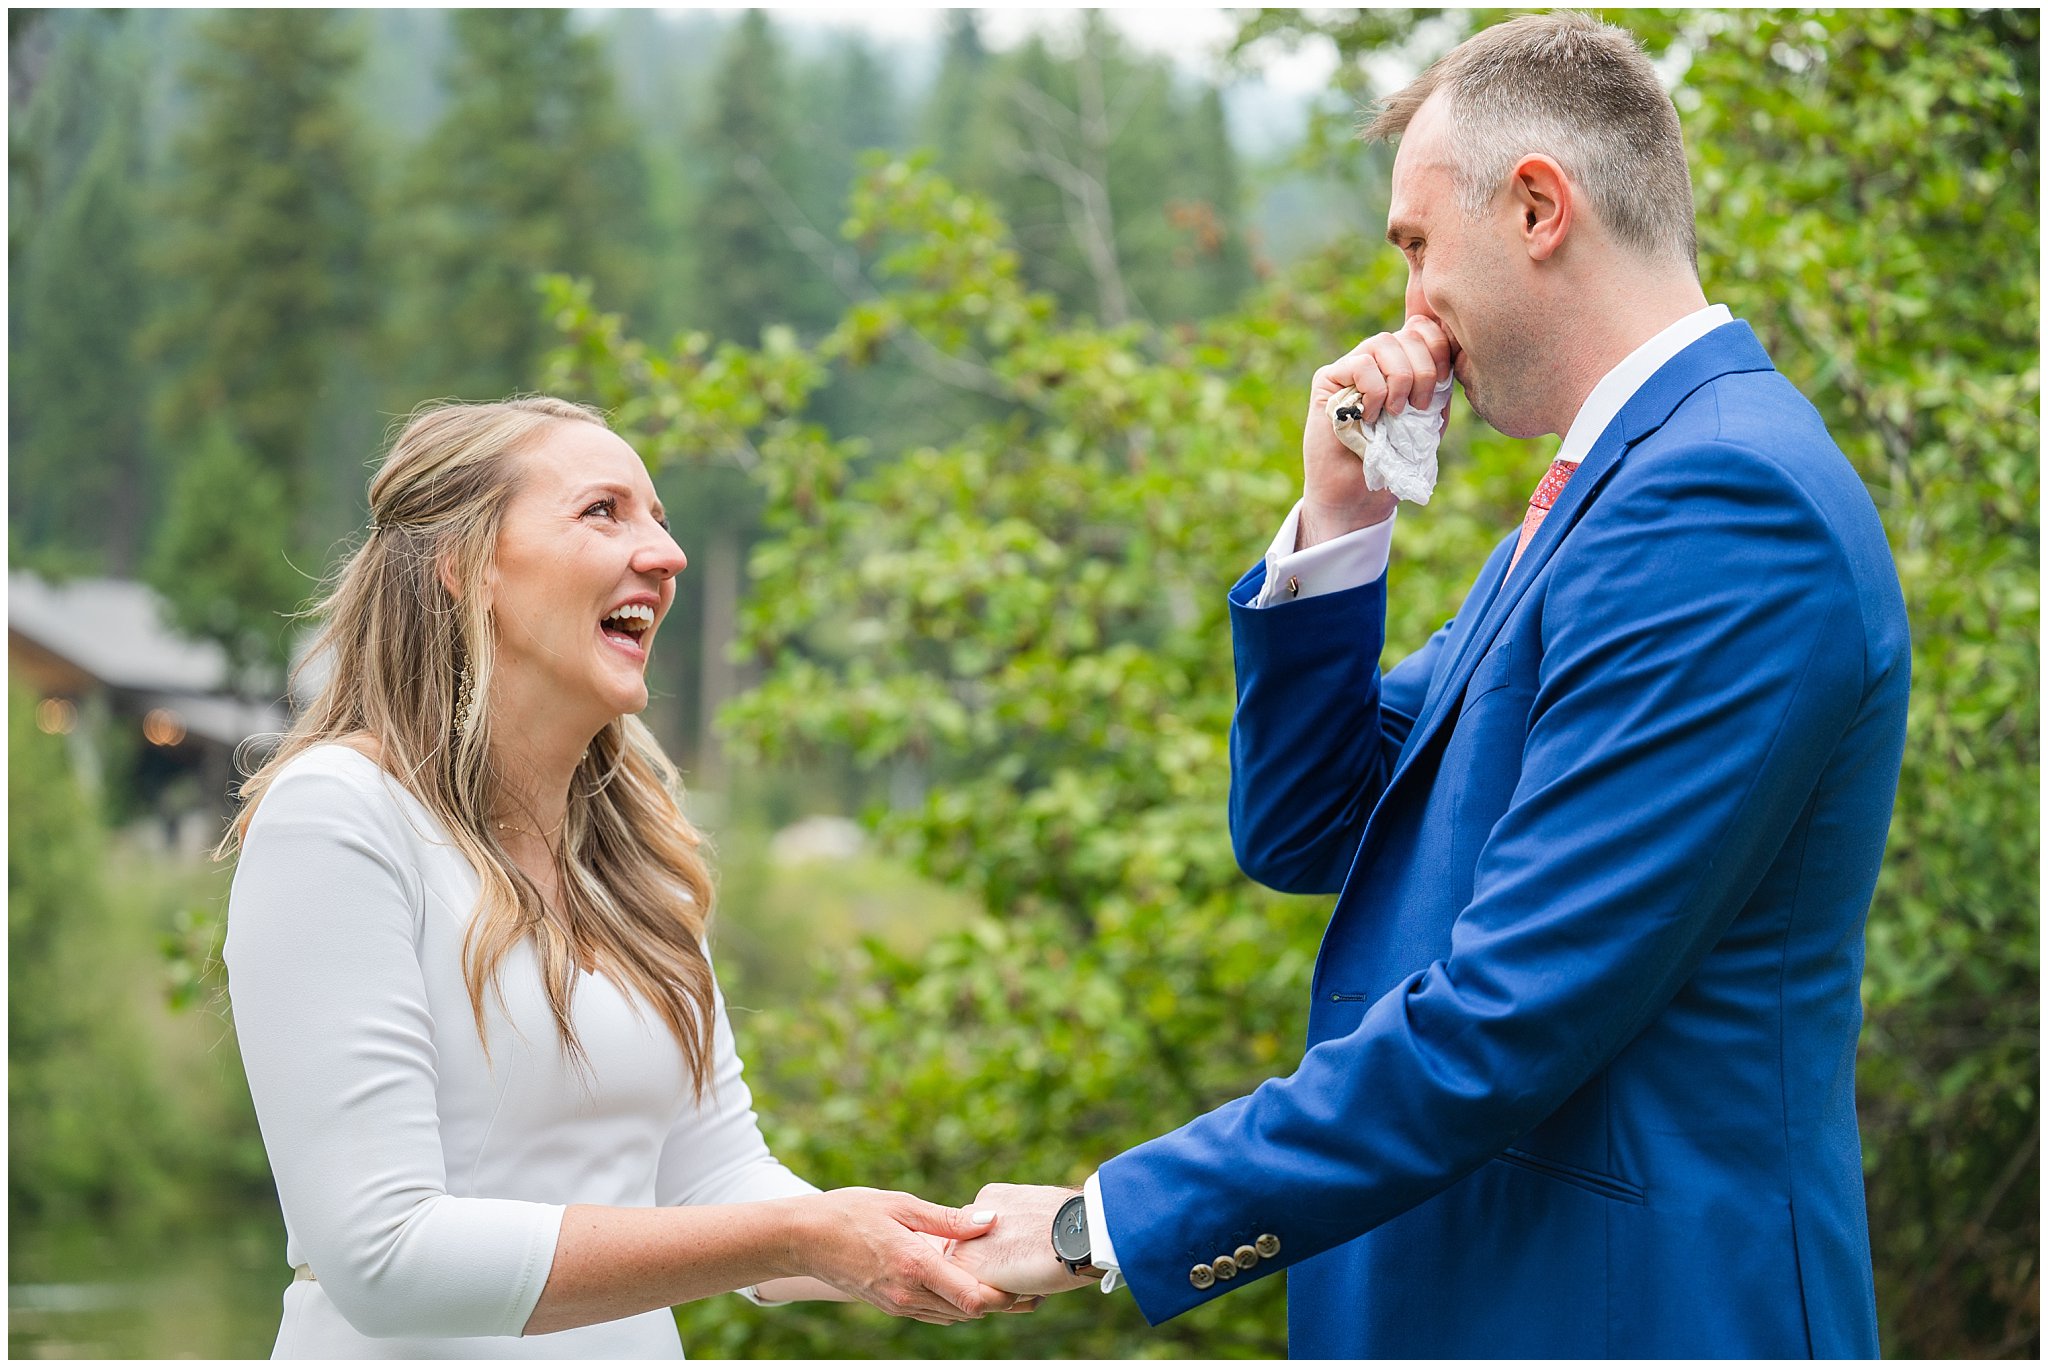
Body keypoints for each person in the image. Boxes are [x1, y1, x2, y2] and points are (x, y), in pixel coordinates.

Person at [948, 12, 1909, 1358]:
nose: (1407, 303)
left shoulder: (1722, 502)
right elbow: (1312, 825)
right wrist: (1337, 515)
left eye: (1414, 245)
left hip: (1625, 1313)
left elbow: (1506, 1019)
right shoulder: (1612, 491)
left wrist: (1098, 1222)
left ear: (1535, 208)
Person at [220, 396, 1025, 1357]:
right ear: (464, 564)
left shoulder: (639, 860)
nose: (665, 554)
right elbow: (387, 1259)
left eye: (662, 519)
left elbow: (718, 1181)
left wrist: (954, 1246)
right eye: (604, 511)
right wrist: (799, 1233)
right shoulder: (338, 816)